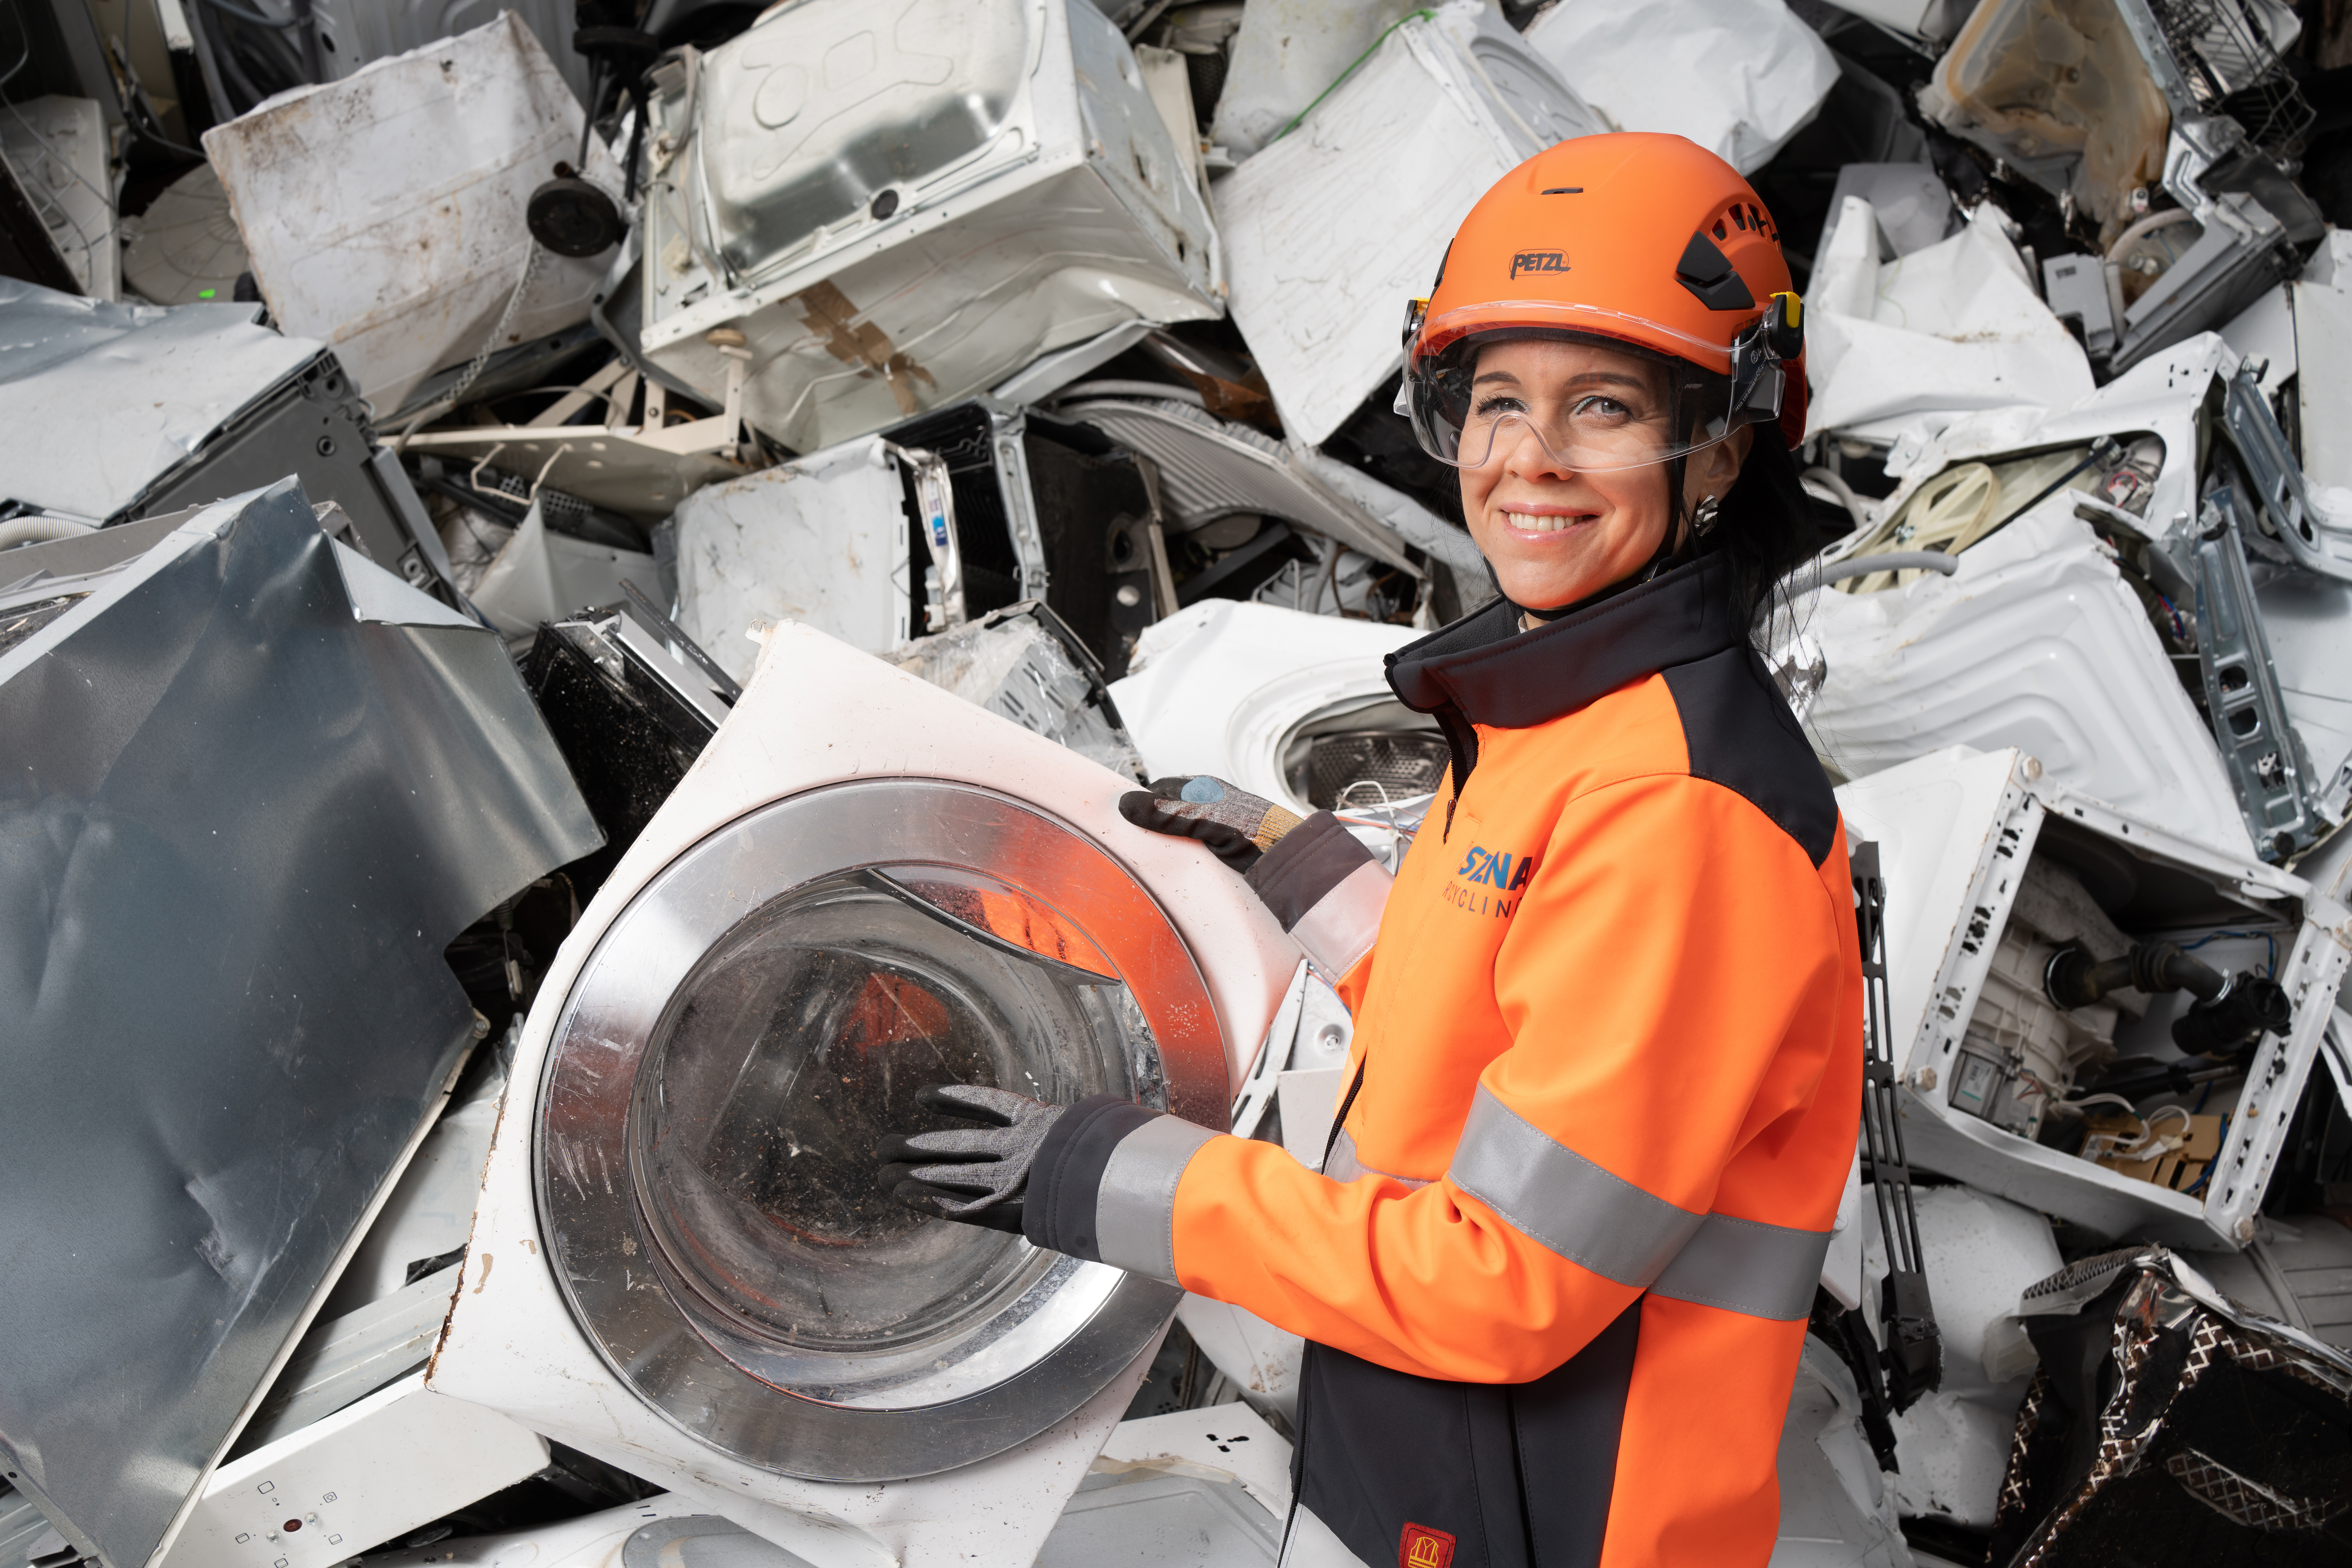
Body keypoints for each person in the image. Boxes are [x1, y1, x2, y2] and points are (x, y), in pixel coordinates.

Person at [878, 133, 1862, 1568]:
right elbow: (1512, 1045)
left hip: (1569, 1518)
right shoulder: (1567, 704)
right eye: (1495, 403)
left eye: (1604, 408)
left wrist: (1118, 1178)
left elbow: (1506, 1281)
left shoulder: (1681, 812)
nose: (1530, 462)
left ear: (1721, 438)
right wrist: (1315, 882)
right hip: (1448, 1466)